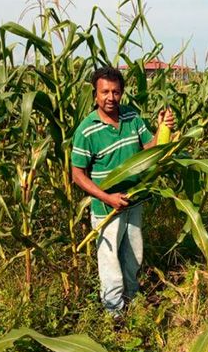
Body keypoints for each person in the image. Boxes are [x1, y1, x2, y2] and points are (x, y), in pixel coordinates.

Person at [71, 66, 174, 317]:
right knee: (110, 264)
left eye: (115, 92)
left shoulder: (131, 117)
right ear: (95, 94)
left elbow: (150, 148)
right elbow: (77, 175)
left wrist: (162, 128)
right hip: (107, 207)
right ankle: (114, 315)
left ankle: (133, 301)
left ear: (122, 93)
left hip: (135, 200)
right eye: (104, 92)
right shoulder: (87, 130)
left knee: (133, 257)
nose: (110, 97)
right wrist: (108, 197)